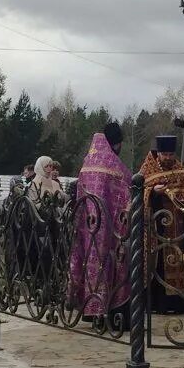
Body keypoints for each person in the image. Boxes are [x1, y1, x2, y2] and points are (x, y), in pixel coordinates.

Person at [67, 121, 131, 321]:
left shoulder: (87, 163)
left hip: (87, 227)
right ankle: (108, 311)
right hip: (108, 229)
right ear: (117, 143)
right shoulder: (114, 165)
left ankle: (89, 309)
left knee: (88, 262)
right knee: (108, 263)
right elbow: (131, 188)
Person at [139, 135, 184, 314]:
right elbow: (138, 191)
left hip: (178, 228)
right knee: (159, 262)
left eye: (170, 154)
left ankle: (179, 304)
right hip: (156, 228)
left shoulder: (181, 171)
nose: (168, 158)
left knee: (180, 262)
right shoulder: (148, 169)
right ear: (158, 153)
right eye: (164, 154)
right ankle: (158, 304)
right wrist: (153, 191)